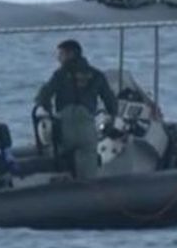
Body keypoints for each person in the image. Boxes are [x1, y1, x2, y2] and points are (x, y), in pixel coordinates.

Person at [34, 39, 118, 179]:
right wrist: (112, 120)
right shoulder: (97, 75)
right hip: (86, 126)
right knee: (89, 170)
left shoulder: (59, 75)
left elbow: (43, 96)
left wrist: (50, 112)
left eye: (61, 54)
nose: (58, 58)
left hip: (64, 126)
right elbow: (110, 102)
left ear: (70, 54)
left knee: (60, 160)